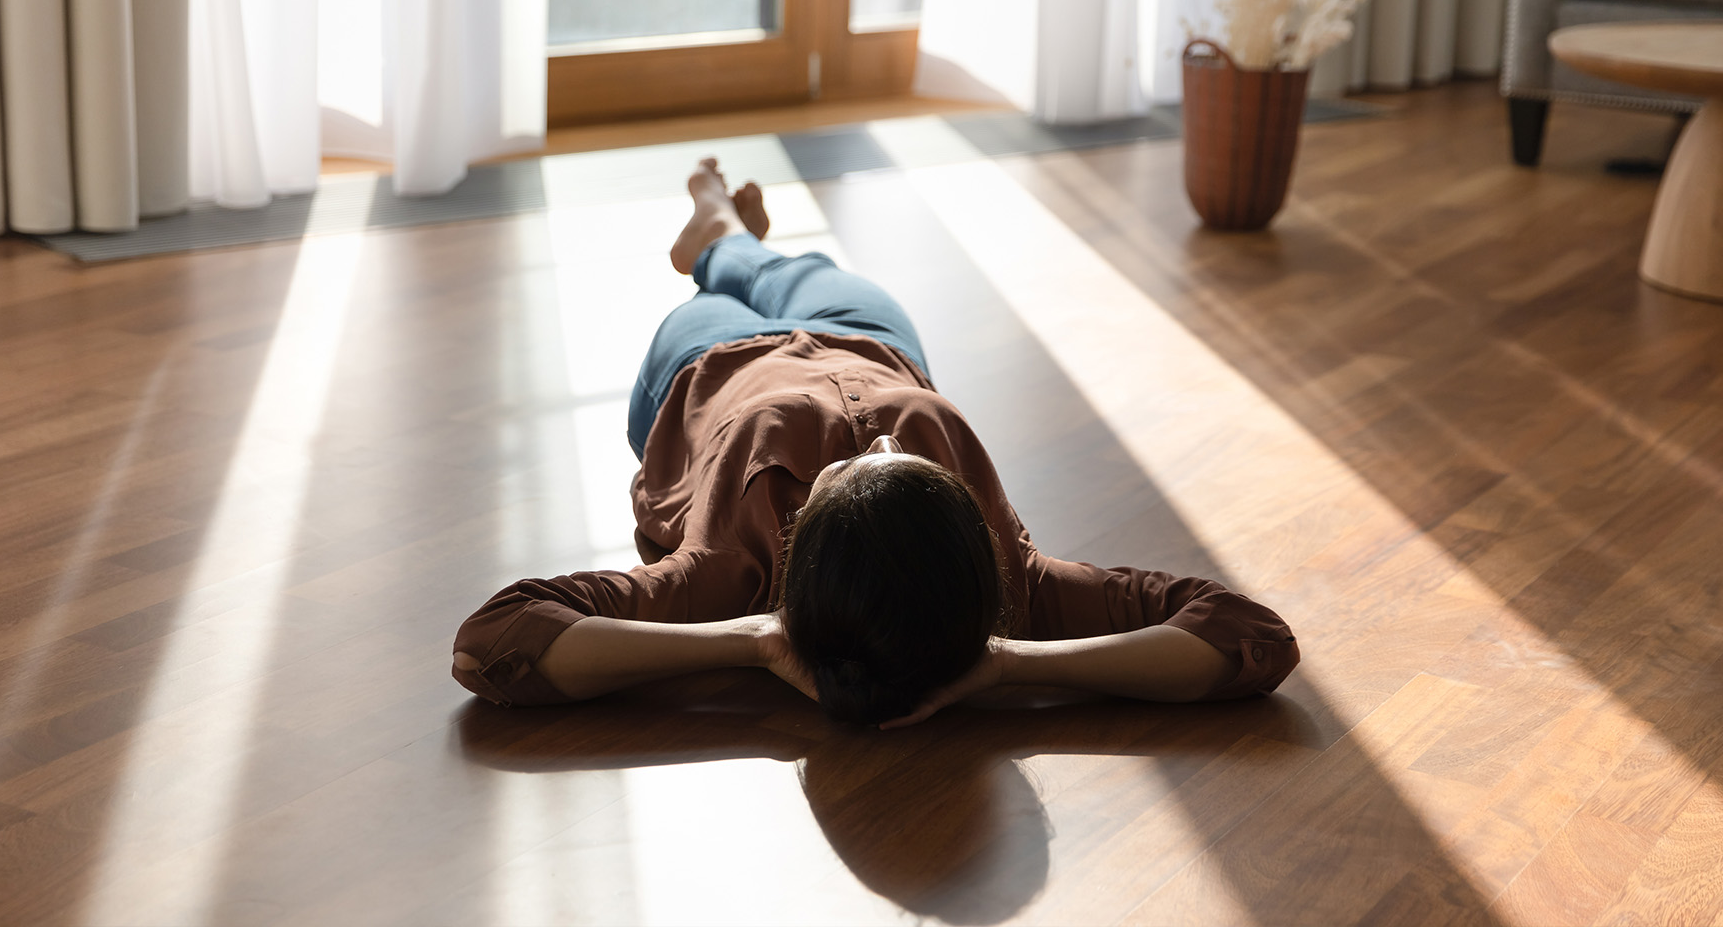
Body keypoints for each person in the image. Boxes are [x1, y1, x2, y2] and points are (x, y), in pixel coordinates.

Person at [452, 159, 1298, 728]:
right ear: (966, 529)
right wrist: (1006, 661)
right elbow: (1246, 633)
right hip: (871, 341)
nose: (880, 439)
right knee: (804, 272)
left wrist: (749, 638)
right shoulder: (1010, 580)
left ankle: (719, 242)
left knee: (730, 290)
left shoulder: (726, 577)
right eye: (910, 463)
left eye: (852, 469)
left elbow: (495, 639)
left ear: (799, 540)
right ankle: (727, 238)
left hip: (708, 365)